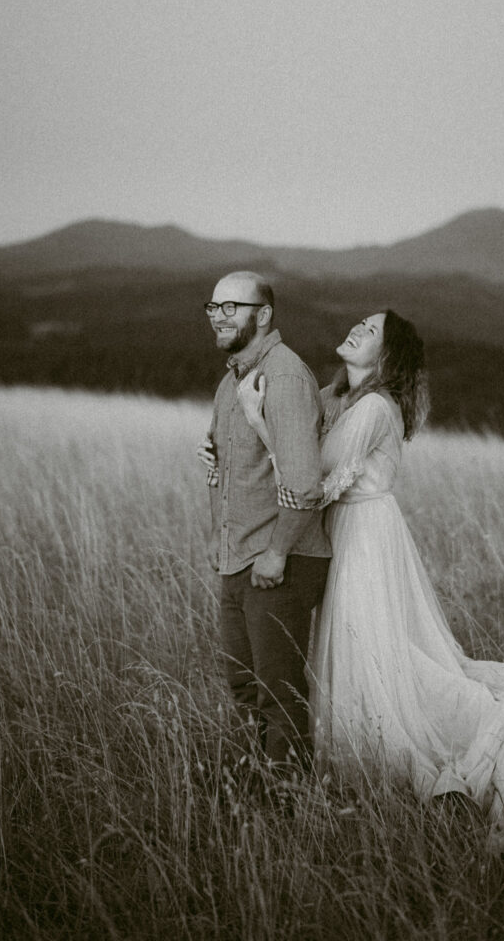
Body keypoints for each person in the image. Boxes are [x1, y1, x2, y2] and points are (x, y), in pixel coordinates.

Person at [231, 308, 504, 840]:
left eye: (371, 330)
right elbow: (307, 449)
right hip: (358, 530)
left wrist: (256, 420)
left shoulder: (374, 410)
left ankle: (449, 737)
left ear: (386, 357)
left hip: (365, 538)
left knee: (374, 648)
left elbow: (310, 476)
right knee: (369, 647)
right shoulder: (345, 400)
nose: (357, 329)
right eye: (360, 321)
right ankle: (363, 742)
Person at [198, 271, 331, 767]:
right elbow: (224, 465)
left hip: (281, 561)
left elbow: (303, 485)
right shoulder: (230, 380)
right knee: (244, 685)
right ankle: (254, 790)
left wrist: (276, 554)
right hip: (239, 557)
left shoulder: (286, 376)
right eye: (213, 308)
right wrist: (217, 533)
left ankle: (288, 808)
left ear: (264, 314)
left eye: (231, 306)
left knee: (278, 693)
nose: (219, 316)